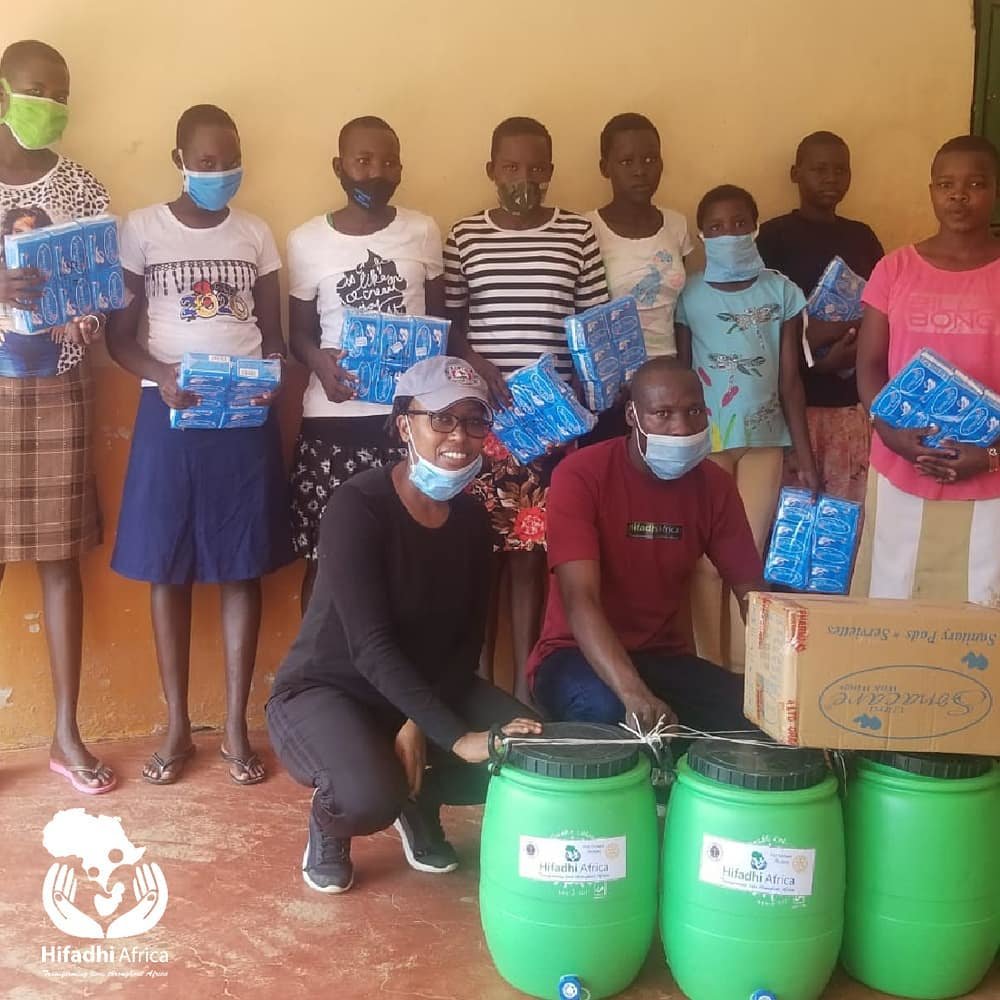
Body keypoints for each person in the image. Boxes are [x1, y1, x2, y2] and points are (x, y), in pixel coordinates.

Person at [267, 356, 540, 895]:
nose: (458, 436)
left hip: (420, 688)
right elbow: (368, 646)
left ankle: (419, 799)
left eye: (473, 421)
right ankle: (332, 822)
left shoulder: (470, 520)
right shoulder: (358, 506)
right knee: (366, 796)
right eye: (440, 418)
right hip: (327, 689)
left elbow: (467, 642)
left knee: (529, 752)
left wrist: (420, 723)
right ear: (403, 425)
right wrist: (456, 736)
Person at [107, 104, 292, 786]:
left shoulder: (256, 234)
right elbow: (118, 338)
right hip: (169, 418)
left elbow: (271, 337)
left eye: (230, 159)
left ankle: (238, 725)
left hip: (242, 421)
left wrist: (271, 380)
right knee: (168, 566)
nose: (220, 172)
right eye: (207, 161)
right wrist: (162, 377)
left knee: (240, 565)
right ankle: (178, 724)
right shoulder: (142, 230)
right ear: (179, 159)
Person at [444, 116, 608, 699]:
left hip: (551, 424)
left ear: (551, 172)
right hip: (484, 422)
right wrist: (483, 371)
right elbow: (453, 325)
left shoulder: (576, 234)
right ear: (491, 171)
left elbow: (590, 326)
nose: (524, 178)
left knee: (530, 558)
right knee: (481, 555)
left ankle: (525, 687)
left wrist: (585, 409)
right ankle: (479, 684)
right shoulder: (465, 235)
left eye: (537, 168)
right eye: (511, 167)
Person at [528, 358, 763, 731]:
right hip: (573, 657)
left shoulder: (714, 486)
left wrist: (786, 689)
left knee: (754, 717)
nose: (682, 427)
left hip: (661, 658)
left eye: (694, 411)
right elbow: (580, 599)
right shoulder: (580, 475)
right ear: (632, 416)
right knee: (612, 716)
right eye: (662, 413)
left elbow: (753, 595)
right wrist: (633, 694)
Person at [0, 40, 115, 794]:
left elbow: (103, 291)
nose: (52, 104)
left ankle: (65, 733)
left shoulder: (82, 187)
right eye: (39, 89)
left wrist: (88, 319)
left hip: (60, 388)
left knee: (58, 561)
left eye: (62, 92)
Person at [287, 116, 445, 611]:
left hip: (410, 425)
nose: (376, 172)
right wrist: (319, 363)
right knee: (327, 556)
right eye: (362, 161)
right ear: (339, 167)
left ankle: (404, 679)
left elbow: (440, 326)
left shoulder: (422, 231)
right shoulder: (307, 239)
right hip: (335, 421)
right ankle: (315, 681)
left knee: (410, 555)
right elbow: (299, 334)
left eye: (389, 161)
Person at [675, 184, 818, 670]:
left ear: (756, 226)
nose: (728, 233)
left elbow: (791, 382)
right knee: (704, 565)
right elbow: (680, 377)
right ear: (700, 235)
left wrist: (807, 458)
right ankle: (705, 666)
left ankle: (744, 673)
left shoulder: (782, 292)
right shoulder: (688, 296)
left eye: (739, 223)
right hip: (706, 446)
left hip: (764, 444)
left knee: (745, 562)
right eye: (715, 227)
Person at [854, 135, 1000, 603]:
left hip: (991, 469)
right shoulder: (895, 269)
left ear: (995, 190)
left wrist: (992, 455)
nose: (958, 195)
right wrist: (889, 432)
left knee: (982, 606)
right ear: (932, 191)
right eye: (945, 184)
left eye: (975, 183)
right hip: (901, 463)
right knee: (893, 596)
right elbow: (871, 365)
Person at [757, 131, 884, 503]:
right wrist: (820, 362)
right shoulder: (774, 237)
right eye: (820, 169)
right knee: (791, 517)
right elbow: (761, 322)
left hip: (849, 404)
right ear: (795, 174)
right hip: (792, 407)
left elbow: (879, 310)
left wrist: (855, 352)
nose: (831, 178)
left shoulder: (861, 237)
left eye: (841, 170)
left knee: (844, 518)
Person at [584, 112, 693, 442]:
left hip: (669, 384)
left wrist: (685, 374)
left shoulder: (677, 225)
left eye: (650, 159)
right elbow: (583, 313)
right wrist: (607, 382)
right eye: (626, 161)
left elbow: (684, 313)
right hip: (614, 389)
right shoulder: (587, 229)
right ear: (605, 167)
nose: (640, 170)